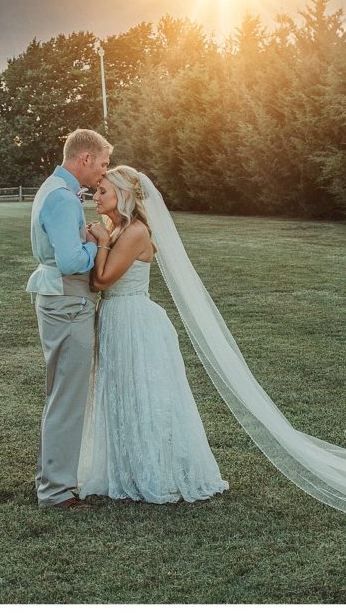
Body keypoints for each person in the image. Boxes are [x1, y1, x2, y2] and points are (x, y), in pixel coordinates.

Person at [79, 166, 228, 503]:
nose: (95, 196)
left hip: (133, 320)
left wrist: (101, 242)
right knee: (119, 392)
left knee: (143, 394)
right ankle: (126, 466)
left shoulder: (135, 232)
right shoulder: (115, 229)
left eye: (103, 191)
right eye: (96, 190)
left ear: (124, 195)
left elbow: (102, 281)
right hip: (115, 318)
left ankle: (157, 470)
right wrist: (101, 238)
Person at [26, 128, 112, 510]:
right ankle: (57, 491)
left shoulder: (54, 190)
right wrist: (97, 245)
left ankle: (52, 480)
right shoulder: (62, 199)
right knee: (67, 397)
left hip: (59, 299)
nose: (103, 174)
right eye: (103, 164)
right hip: (67, 302)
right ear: (85, 159)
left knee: (60, 394)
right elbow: (71, 260)